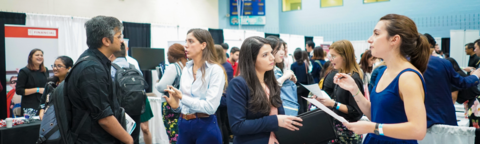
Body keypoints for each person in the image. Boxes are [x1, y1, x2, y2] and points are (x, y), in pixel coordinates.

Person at [333, 14, 432, 143]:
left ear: (394, 40)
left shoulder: (408, 77)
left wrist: (372, 127)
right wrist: (354, 90)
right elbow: (376, 114)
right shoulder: (382, 72)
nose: (370, 39)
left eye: (376, 34)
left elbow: (418, 130)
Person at [65, 16, 133, 144]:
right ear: (106, 41)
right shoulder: (92, 69)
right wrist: (129, 140)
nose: (122, 41)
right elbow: (104, 118)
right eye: (119, 36)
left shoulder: (93, 62)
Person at [227, 36, 303, 144]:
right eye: (265, 55)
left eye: (271, 53)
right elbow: (238, 126)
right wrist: (275, 121)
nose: (272, 58)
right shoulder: (238, 84)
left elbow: (281, 118)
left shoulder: (271, 82)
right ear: (252, 59)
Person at [163, 28, 227, 144]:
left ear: (203, 45)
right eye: (186, 41)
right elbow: (183, 106)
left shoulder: (215, 70)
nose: (185, 46)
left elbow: (210, 107)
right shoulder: (186, 69)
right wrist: (176, 106)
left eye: (191, 41)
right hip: (184, 124)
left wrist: (182, 97)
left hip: (205, 125)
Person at [421, 34, 480, 128]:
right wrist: (475, 76)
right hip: (442, 116)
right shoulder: (441, 63)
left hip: (419, 118)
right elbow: (461, 83)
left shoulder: (406, 64)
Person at [312, 40, 364, 144]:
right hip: (338, 129)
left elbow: (356, 111)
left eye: (333, 56)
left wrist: (332, 103)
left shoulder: (354, 78)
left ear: (344, 56)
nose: (331, 60)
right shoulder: (341, 75)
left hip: (348, 133)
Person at [109, 43, 144, 144]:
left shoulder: (110, 69)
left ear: (111, 54)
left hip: (118, 113)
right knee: (134, 139)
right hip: (136, 111)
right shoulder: (134, 68)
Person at [155, 43, 187, 144]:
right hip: (182, 103)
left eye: (168, 55)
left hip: (169, 104)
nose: (167, 58)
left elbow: (161, 87)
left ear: (173, 56)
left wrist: (157, 83)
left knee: (172, 135)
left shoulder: (173, 67)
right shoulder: (185, 67)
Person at [266, 36, 299, 116]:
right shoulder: (266, 69)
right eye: (278, 49)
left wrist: (289, 80)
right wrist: (284, 77)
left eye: (283, 49)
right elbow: (269, 89)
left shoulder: (276, 69)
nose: (282, 52)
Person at [39, 56, 73, 120]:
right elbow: (43, 101)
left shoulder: (71, 84)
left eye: (59, 66)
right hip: (50, 118)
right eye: (54, 66)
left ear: (69, 68)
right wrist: (42, 110)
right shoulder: (50, 83)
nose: (55, 68)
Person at [16, 48, 49, 116]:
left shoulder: (45, 70)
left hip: (43, 105)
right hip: (30, 107)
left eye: (41, 55)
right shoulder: (24, 71)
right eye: (37, 55)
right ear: (30, 57)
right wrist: (37, 89)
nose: (40, 57)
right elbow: (19, 90)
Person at [214, 44, 234, 144]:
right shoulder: (228, 65)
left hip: (220, 97)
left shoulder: (218, 67)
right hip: (226, 97)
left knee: (220, 123)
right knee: (223, 123)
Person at [291, 50, 309, 114]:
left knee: (299, 103)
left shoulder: (293, 65)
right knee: (305, 102)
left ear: (295, 56)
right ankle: (306, 114)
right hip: (306, 86)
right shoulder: (305, 64)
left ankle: (302, 117)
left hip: (298, 86)